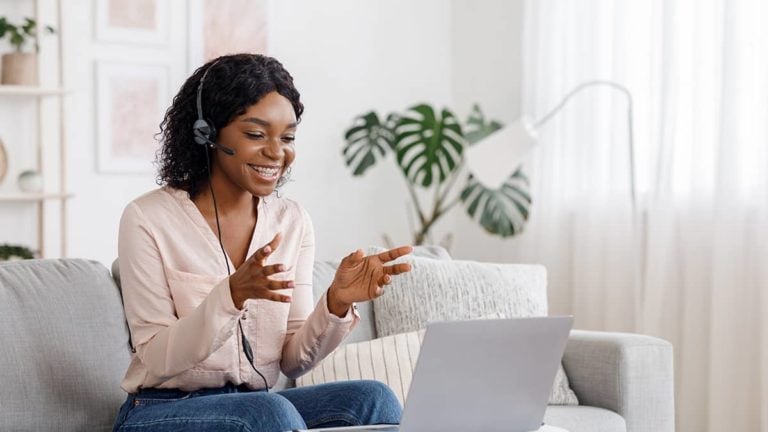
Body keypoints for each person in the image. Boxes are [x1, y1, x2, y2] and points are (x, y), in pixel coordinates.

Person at [112, 53, 413, 432]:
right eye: (256, 134)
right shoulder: (147, 218)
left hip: (255, 407)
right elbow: (156, 357)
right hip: (160, 411)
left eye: (287, 137)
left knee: (373, 399)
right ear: (208, 133)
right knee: (270, 413)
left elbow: (292, 361)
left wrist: (337, 302)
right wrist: (230, 296)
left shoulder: (292, 221)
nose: (277, 152)